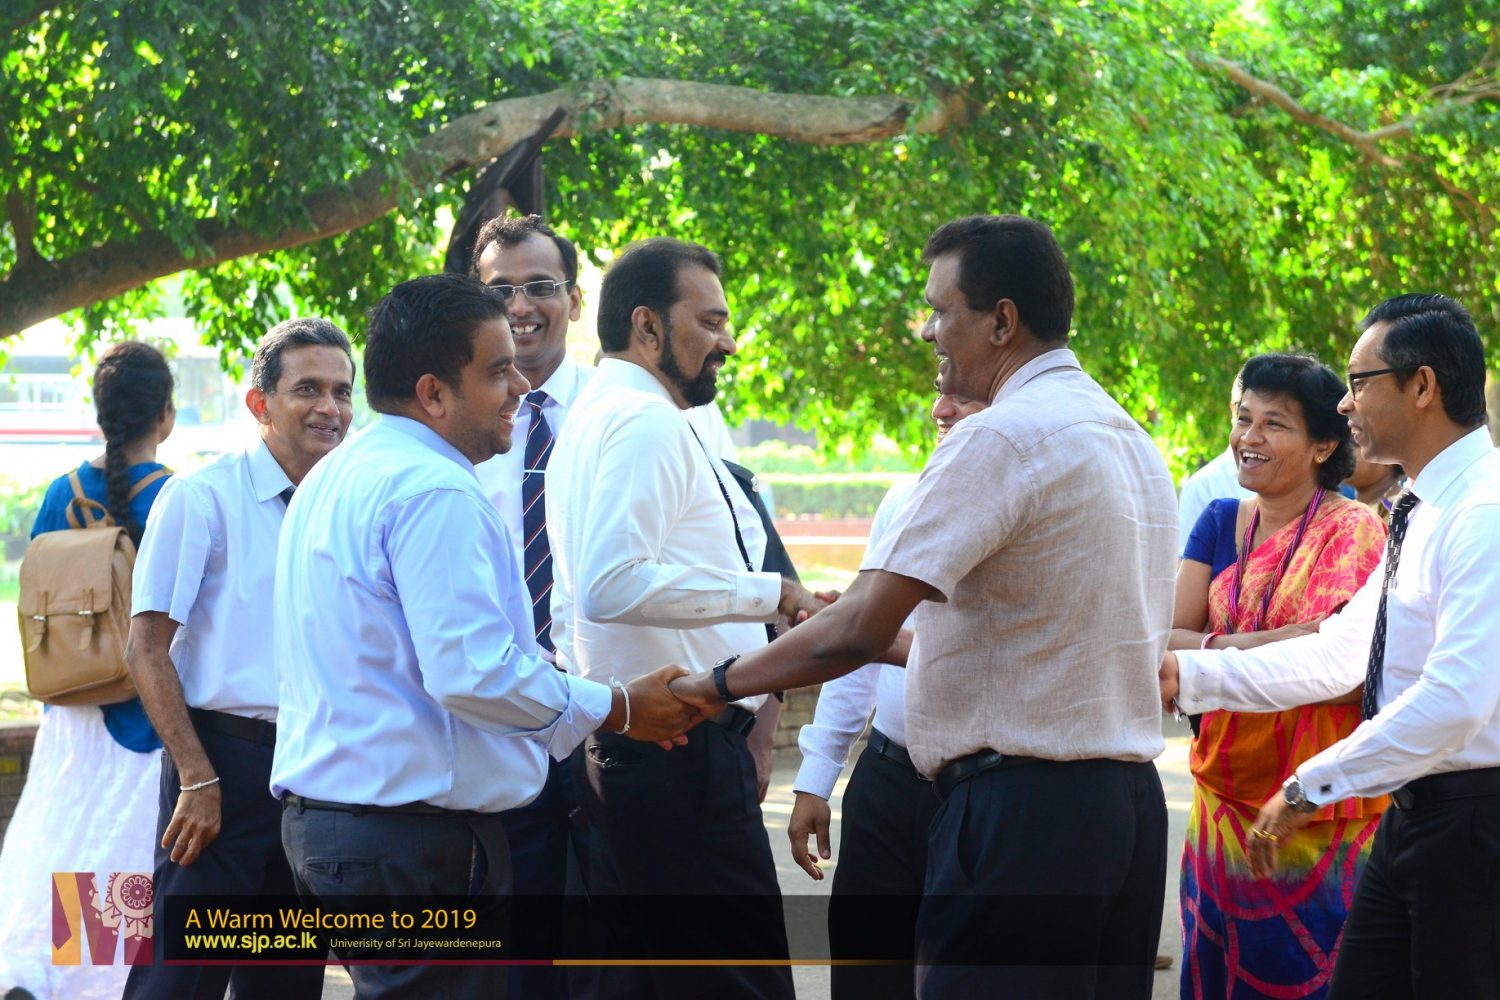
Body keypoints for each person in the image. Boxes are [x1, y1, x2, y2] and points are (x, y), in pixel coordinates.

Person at [670, 214, 1178, 999]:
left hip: (1023, 816)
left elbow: (859, 629)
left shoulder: (999, 438)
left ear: (1002, 321)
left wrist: (712, 686)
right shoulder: (1129, 439)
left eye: (941, 312)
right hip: (1125, 813)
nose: (929, 332)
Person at [271, 273, 694, 999]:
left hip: (353, 832)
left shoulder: (341, 473)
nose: (521, 388)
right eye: (498, 371)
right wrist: (619, 706)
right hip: (412, 844)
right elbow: (473, 672)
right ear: (434, 393)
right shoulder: (431, 489)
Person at [1160, 293, 1500, 998]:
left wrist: (1311, 784)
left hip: (1472, 823)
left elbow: (1456, 700)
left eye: (1358, 382)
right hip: (1412, 814)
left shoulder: (1482, 513)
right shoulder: (1424, 508)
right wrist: (1184, 675)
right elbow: (1341, 652)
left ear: (1423, 386)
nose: (1345, 406)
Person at [547, 237, 821, 999]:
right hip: (677, 756)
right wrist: (769, 594)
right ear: (647, 326)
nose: (728, 343)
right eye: (711, 322)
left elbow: (578, 599)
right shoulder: (643, 421)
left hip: (642, 750)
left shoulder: (601, 416)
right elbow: (607, 585)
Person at [123, 318, 355, 1000]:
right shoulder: (201, 498)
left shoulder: (346, 504)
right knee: (177, 982)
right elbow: (146, 648)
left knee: (285, 983)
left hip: (312, 773)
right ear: (260, 403)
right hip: (220, 768)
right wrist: (198, 777)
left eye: (342, 391)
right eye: (307, 388)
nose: (329, 407)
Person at [1169, 352, 1387, 999]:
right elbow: (1168, 638)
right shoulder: (1219, 521)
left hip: (1317, 816)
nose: (1250, 437)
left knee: (1314, 978)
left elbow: (1347, 670)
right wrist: (1277, 640)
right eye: (1244, 419)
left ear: (1324, 444)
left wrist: (1212, 651)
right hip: (1220, 802)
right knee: (1215, 972)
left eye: (1274, 423)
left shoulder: (1357, 532)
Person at [788, 389, 984, 1000]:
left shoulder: (1031, 516)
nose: (942, 409)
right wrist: (817, 776)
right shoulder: (904, 500)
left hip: (983, 792)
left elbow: (866, 638)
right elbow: (858, 649)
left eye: (965, 396)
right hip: (887, 779)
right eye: (939, 390)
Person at [0, 342, 174, 1000]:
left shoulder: (59, 492)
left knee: (61, 842)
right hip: (145, 714)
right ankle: (95, 985)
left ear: (103, 415)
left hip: (69, 708)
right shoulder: (174, 496)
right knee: (117, 858)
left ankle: (37, 972)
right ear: (165, 415)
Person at [470, 213, 592, 999]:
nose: (520, 306)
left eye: (540, 286)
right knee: (515, 958)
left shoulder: (627, 413)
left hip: (615, 722)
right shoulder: (452, 429)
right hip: (499, 723)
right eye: (499, 291)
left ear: (574, 300)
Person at [1178, 372, 1253, 554]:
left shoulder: (1307, 488)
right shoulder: (1202, 487)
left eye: (1272, 422)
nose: (1253, 434)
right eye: (1244, 416)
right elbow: (1185, 564)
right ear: (1233, 410)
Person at [1345, 454, 1405, 523]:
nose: (1346, 454)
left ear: (1386, 459)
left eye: (1355, 447)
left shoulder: (1401, 509)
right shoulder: (1343, 509)